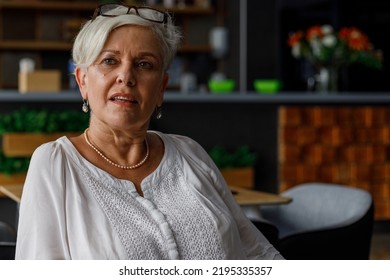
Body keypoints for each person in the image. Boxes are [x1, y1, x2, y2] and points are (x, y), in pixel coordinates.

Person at [15, 4, 283, 260]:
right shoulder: (54, 164)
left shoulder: (190, 153)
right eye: (109, 60)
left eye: (144, 64)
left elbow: (257, 253)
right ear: (83, 81)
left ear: (161, 88)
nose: (126, 77)